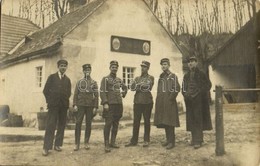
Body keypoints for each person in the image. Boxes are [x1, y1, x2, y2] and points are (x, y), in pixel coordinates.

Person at [182, 56, 212, 149]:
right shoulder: (186, 75)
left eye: (193, 61)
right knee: (191, 119)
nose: (191, 63)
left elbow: (208, 85)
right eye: (189, 62)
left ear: (196, 63)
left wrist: (199, 92)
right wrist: (185, 94)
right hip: (189, 100)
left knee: (198, 119)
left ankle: (198, 140)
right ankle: (194, 139)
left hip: (199, 101)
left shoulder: (201, 74)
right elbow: (183, 87)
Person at [42, 60, 71, 156]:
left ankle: (58, 145)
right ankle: (46, 147)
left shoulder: (67, 80)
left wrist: (65, 102)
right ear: (58, 67)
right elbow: (45, 91)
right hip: (53, 106)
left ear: (66, 67)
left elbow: (69, 93)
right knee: (51, 125)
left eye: (65, 66)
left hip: (63, 106)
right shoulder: (52, 77)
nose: (63, 67)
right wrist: (50, 101)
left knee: (61, 125)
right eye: (61, 66)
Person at [100, 60, 128, 153]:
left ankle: (113, 142)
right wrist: (105, 103)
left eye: (116, 67)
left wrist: (123, 93)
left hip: (118, 105)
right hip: (110, 105)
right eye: (113, 67)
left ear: (117, 68)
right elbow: (102, 91)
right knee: (108, 124)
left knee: (116, 123)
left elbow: (125, 87)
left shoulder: (119, 80)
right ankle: (106, 144)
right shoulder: (105, 79)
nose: (114, 69)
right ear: (110, 68)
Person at [125, 61, 154, 148]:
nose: (142, 68)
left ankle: (146, 140)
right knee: (136, 122)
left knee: (147, 121)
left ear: (148, 68)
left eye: (144, 67)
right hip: (137, 102)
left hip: (147, 102)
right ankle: (134, 141)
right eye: (141, 66)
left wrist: (138, 85)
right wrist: (140, 85)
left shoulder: (151, 77)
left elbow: (148, 86)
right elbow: (132, 88)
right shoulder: (137, 78)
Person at [154, 58, 180, 150]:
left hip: (170, 103)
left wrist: (170, 98)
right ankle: (168, 140)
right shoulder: (161, 76)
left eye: (165, 64)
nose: (163, 66)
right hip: (162, 103)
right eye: (162, 64)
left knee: (170, 122)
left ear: (169, 65)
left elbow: (177, 88)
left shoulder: (173, 76)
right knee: (165, 121)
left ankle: (172, 142)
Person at [73, 64, 99, 151]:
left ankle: (86, 142)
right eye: (85, 70)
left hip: (90, 106)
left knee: (88, 124)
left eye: (89, 70)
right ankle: (77, 143)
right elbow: (76, 94)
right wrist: (75, 105)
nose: (87, 71)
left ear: (90, 71)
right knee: (78, 123)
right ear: (83, 71)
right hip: (80, 105)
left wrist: (95, 107)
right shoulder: (79, 82)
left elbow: (96, 95)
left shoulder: (94, 83)